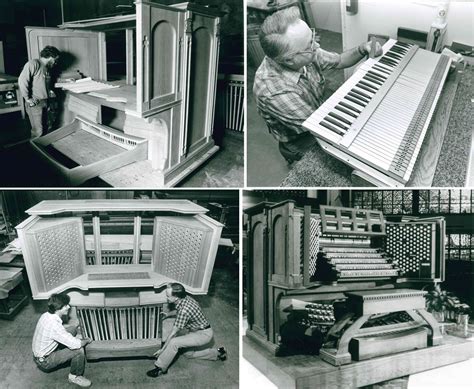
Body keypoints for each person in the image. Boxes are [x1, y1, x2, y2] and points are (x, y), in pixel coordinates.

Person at [253, 7, 383, 163]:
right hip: (304, 136)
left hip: (319, 109)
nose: (316, 45)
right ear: (289, 60)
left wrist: (362, 49)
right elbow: (321, 128)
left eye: (312, 37)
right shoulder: (273, 92)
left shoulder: (304, 51)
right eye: (309, 45)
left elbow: (340, 60)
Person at [146, 283, 227, 378]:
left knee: (174, 342)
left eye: (168, 296)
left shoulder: (184, 310)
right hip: (196, 331)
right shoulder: (185, 298)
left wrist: (162, 350)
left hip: (203, 334)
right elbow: (179, 310)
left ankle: (160, 368)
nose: (166, 297)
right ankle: (218, 353)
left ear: (176, 297)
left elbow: (173, 333)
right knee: (188, 354)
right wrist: (168, 314)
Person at [32, 293, 92, 387]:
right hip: (45, 360)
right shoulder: (54, 326)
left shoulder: (46, 315)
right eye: (65, 306)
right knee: (79, 350)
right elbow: (77, 344)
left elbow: (59, 330)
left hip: (41, 353)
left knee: (72, 329)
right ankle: (74, 377)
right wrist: (87, 340)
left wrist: (74, 328)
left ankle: (68, 345)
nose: (68, 307)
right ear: (58, 308)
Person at [18, 45, 60, 138]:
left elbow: (44, 83)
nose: (55, 62)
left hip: (45, 101)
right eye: (55, 59)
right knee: (38, 131)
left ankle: (42, 149)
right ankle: (34, 151)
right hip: (36, 103)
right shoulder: (34, 63)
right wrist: (27, 98)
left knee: (46, 128)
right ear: (51, 57)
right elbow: (22, 80)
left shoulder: (46, 68)